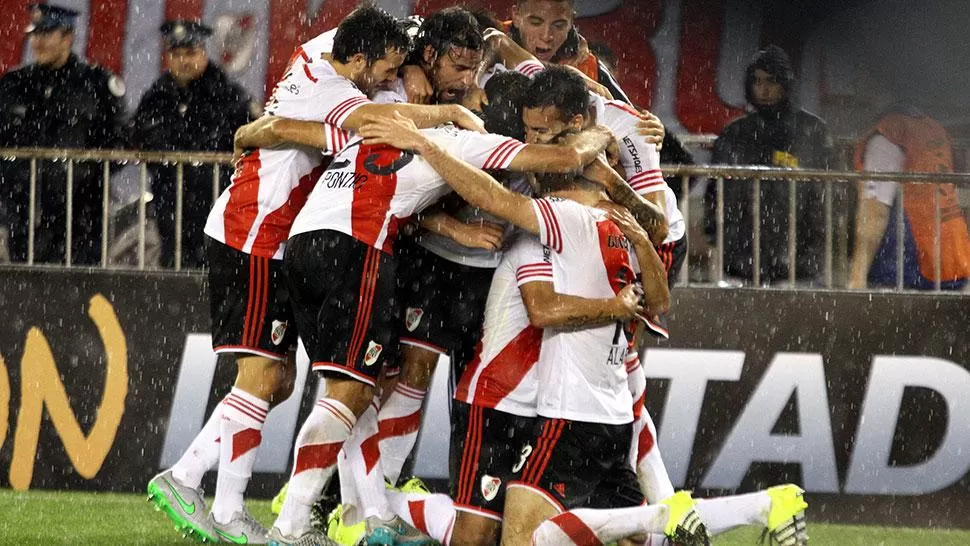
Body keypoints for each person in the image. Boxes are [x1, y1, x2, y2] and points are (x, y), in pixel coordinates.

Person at [146, 6, 484, 544]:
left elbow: (277, 124)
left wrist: (263, 128)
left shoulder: (343, 50)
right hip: (254, 229)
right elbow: (366, 121)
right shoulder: (338, 86)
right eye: (384, 70)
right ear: (358, 58)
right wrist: (451, 117)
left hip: (280, 236)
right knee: (273, 378)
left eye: (397, 70)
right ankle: (198, 486)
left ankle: (230, 500)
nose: (387, 82)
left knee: (281, 381)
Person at [0, 3, 126, 265]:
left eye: (46, 34)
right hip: (25, 210)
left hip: (80, 213)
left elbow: (119, 143)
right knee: (25, 289)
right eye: (34, 35)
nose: (38, 42)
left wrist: (85, 175)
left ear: (67, 37)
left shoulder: (97, 84)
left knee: (79, 291)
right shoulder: (15, 85)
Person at [129, 20, 258, 269]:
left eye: (190, 53)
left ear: (203, 52)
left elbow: (252, 135)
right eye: (176, 54)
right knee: (173, 265)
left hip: (217, 198)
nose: (183, 61)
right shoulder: (157, 95)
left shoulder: (227, 93)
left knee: (217, 265)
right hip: (170, 200)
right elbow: (138, 136)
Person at [707, 45, 833, 285]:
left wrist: (817, 239)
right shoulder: (735, 133)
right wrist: (716, 234)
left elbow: (829, 194)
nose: (763, 89)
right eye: (757, 81)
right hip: (741, 256)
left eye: (771, 81)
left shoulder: (812, 132)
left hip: (798, 256)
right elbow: (716, 190)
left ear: (785, 83)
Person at [848, 101, 970, 289]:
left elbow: (875, 212)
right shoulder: (932, 128)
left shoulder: (888, 135)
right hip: (953, 257)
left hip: (913, 260)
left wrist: (856, 279)